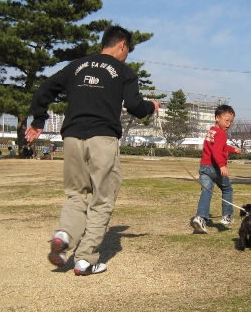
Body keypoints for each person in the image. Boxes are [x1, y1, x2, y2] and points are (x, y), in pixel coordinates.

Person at [25, 25, 160, 276]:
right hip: (103, 138)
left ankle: (64, 235)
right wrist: (151, 106)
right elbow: (134, 106)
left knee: (76, 194)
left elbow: (44, 88)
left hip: (73, 137)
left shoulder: (77, 66)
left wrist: (39, 120)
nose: (127, 55)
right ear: (122, 46)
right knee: (102, 198)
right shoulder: (123, 71)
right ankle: (85, 260)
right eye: (128, 50)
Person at [190, 104, 243, 234]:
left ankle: (200, 218)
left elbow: (220, 146)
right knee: (227, 188)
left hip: (204, 168)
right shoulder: (221, 133)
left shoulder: (212, 131)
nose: (229, 124)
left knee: (206, 191)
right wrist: (221, 165)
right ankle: (227, 216)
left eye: (231, 121)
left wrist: (233, 149)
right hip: (215, 168)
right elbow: (216, 151)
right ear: (217, 118)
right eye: (227, 120)